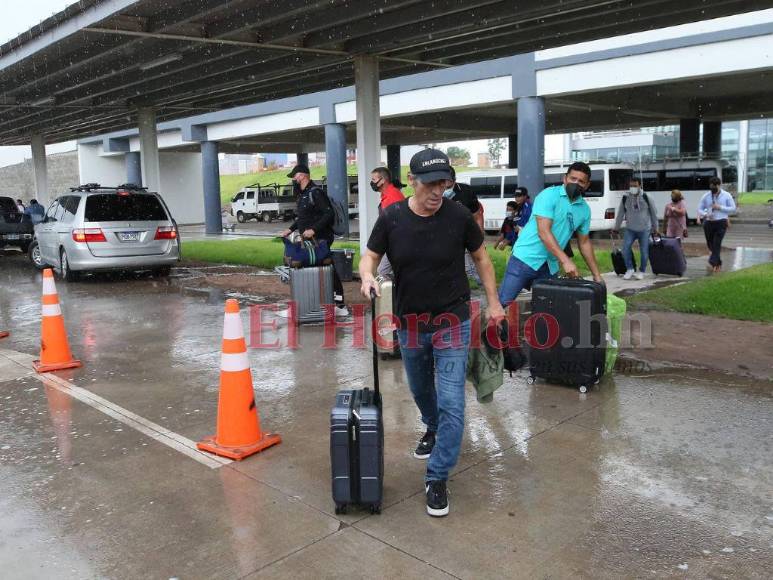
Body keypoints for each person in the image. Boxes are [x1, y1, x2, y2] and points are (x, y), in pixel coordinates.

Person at [359, 148, 504, 518]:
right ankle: (433, 427)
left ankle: (437, 476)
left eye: (444, 183)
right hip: (411, 324)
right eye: (430, 183)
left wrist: (494, 302)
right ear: (411, 181)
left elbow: (482, 257)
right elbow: (370, 256)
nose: (438, 191)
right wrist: (365, 276)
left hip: (452, 321)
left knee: (453, 401)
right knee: (421, 390)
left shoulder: (457, 215)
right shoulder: (391, 218)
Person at [497, 161, 604, 306]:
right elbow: (544, 231)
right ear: (565, 178)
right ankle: (483, 329)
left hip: (549, 265)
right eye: (573, 179)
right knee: (502, 303)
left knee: (548, 309)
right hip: (525, 259)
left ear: (587, 185)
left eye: (581, 181)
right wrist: (566, 261)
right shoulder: (548, 195)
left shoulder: (584, 210)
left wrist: (596, 275)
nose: (576, 183)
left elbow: (584, 242)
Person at [279, 164, 348, 316]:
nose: (294, 180)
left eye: (295, 176)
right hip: (308, 239)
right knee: (308, 267)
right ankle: (307, 304)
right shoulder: (304, 194)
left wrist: (314, 230)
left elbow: (328, 214)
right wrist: (290, 229)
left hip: (321, 238)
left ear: (302, 175)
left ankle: (339, 305)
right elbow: (303, 218)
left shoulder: (316, 193)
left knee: (327, 269)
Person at [612, 177, 659, 280]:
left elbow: (654, 213)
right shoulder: (625, 197)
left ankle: (642, 271)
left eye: (635, 185)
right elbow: (620, 213)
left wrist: (656, 228)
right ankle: (630, 269)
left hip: (644, 230)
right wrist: (616, 228)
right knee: (625, 249)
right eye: (631, 186)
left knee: (644, 252)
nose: (632, 188)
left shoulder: (647, 197)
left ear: (639, 186)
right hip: (630, 229)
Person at [445, 167, 484, 284]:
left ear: (454, 180)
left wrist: (480, 232)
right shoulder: (435, 191)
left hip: (464, 232)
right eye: (442, 184)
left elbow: (477, 214)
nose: (445, 188)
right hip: (443, 234)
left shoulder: (466, 191)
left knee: (472, 259)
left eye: (448, 185)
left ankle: (477, 279)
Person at [370, 166, 405, 279]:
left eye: (374, 180)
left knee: (383, 272)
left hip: (397, 241)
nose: (372, 183)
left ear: (383, 180)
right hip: (395, 241)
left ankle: (393, 294)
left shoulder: (391, 196)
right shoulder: (389, 194)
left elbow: (394, 222)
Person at [697, 176, 736, 273]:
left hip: (721, 222)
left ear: (719, 185)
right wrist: (706, 214)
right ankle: (718, 263)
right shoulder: (706, 196)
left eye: (714, 187)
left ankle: (713, 261)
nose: (713, 190)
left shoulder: (726, 195)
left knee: (716, 243)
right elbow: (699, 209)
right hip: (709, 223)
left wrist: (720, 207)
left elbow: (733, 208)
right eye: (711, 188)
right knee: (710, 245)